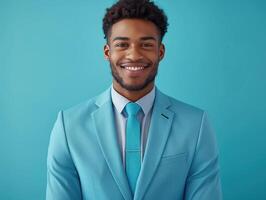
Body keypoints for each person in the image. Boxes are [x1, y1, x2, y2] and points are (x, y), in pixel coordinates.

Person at [46, 0, 222, 199]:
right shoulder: (69, 126)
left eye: (146, 44)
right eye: (122, 44)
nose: (134, 54)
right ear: (107, 52)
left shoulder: (196, 125)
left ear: (160, 52)